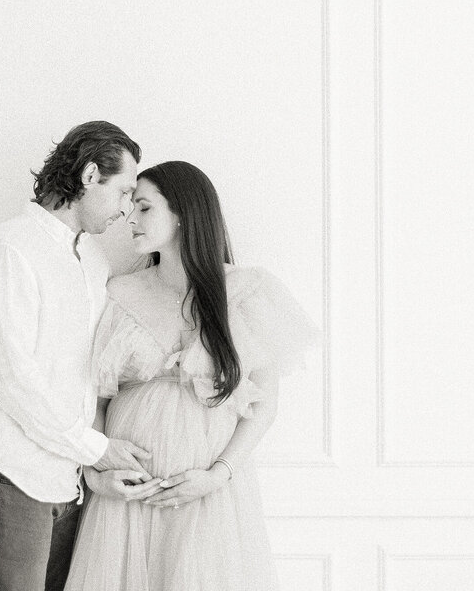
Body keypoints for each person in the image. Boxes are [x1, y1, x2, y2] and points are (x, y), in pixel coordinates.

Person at [64, 161, 318, 591]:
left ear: (181, 212)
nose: (130, 218)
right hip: (127, 496)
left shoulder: (248, 291)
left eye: (144, 207)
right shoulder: (120, 292)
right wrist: (96, 475)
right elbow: (96, 400)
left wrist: (217, 475)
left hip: (208, 495)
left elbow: (265, 406)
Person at [0, 121, 155, 591]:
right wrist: (98, 450)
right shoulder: (9, 248)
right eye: (124, 191)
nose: (128, 210)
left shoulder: (95, 262)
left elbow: (90, 376)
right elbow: (11, 380)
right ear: (89, 176)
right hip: (12, 473)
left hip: (70, 482)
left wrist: (88, 466)